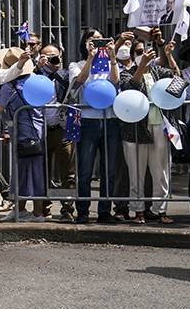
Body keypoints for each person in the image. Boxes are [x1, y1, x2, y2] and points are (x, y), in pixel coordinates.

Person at [118, 35, 178, 223]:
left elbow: (178, 81)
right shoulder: (127, 72)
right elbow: (131, 87)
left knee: (161, 170)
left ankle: (161, 210)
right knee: (136, 171)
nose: (143, 55)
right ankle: (138, 211)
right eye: (138, 52)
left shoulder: (158, 71)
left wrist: (168, 55)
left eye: (146, 51)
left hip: (159, 126)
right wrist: (142, 65)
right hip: (136, 129)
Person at [68, 29, 123, 224]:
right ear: (85, 43)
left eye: (101, 40)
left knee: (108, 169)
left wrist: (113, 57)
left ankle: (104, 210)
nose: (98, 43)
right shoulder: (77, 64)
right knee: (85, 169)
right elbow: (78, 82)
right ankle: (82, 210)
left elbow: (116, 83)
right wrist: (91, 58)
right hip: (88, 120)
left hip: (110, 119)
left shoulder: (109, 64)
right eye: (93, 40)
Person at [0, 48, 45, 222]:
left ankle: (22, 210)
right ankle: (37, 212)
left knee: (21, 174)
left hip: (22, 135)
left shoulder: (9, 87)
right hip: (39, 133)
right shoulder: (37, 81)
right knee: (37, 174)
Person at [37, 43, 76, 221]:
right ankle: (44, 207)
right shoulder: (35, 76)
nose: (53, 59)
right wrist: (39, 67)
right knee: (42, 171)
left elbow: (77, 82)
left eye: (55, 55)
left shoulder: (65, 76)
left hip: (61, 129)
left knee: (67, 171)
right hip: (40, 129)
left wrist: (55, 68)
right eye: (48, 56)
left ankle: (67, 208)